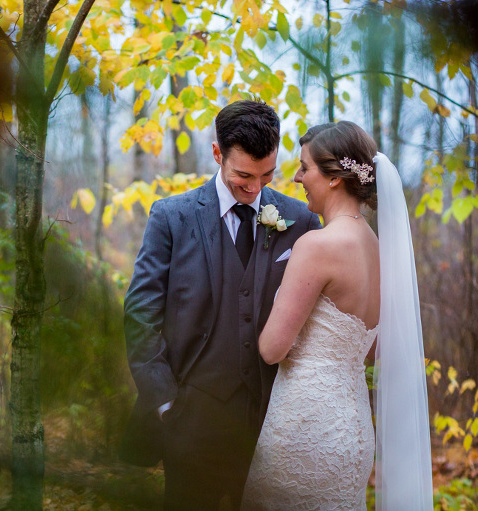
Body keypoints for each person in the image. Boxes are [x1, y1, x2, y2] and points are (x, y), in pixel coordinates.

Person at [119, 99, 322, 510]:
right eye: (243, 175)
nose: (255, 187)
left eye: (267, 175)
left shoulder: (301, 221)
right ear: (217, 153)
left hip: (271, 425)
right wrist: (166, 404)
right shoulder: (171, 217)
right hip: (189, 421)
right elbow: (141, 314)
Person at [241, 121, 433, 510]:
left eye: (304, 167)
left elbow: (272, 349)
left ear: (333, 178)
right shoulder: (381, 252)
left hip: (303, 425)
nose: (297, 178)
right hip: (352, 430)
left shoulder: (317, 246)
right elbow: (372, 349)